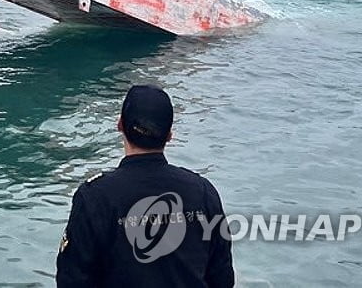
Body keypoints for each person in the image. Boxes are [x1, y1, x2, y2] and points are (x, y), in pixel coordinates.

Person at [56, 85, 234, 287]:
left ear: (120, 125)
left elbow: (72, 280)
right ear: (169, 136)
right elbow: (222, 278)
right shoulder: (203, 192)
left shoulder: (94, 197)